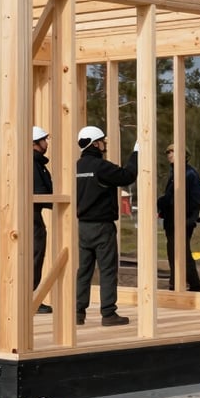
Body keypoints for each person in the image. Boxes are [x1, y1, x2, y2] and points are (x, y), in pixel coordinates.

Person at [75, 125, 138, 326]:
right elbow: (127, 176)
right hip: (102, 226)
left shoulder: (78, 166)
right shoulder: (100, 167)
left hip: (83, 226)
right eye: (103, 141)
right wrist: (136, 153)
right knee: (107, 270)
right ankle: (108, 313)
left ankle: (78, 312)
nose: (104, 145)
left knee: (84, 270)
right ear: (96, 143)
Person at [157, 143, 200, 292]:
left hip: (183, 221)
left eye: (172, 151)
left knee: (182, 253)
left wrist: (189, 220)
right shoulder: (175, 174)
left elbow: (194, 200)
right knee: (173, 252)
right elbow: (171, 198)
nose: (169, 154)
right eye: (168, 152)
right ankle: (175, 283)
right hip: (172, 221)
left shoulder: (189, 174)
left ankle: (193, 285)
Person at [32, 125, 54, 314]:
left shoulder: (37, 163)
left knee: (33, 258)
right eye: (44, 140)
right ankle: (30, 301)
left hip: (32, 217)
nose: (46, 143)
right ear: (34, 144)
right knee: (34, 258)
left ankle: (28, 299)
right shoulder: (33, 164)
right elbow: (40, 193)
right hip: (32, 219)